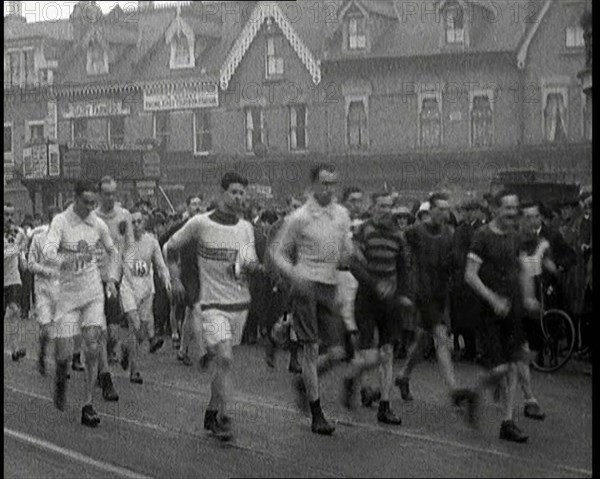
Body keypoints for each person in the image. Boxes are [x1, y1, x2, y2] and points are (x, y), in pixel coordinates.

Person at [166, 172, 260, 441]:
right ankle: (223, 417)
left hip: (239, 304)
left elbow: (246, 262)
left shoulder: (245, 228)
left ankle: (211, 411)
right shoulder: (200, 224)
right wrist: (175, 279)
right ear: (221, 194)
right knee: (225, 359)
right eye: (234, 192)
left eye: (243, 193)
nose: (239, 197)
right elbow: (171, 247)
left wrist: (250, 267)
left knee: (223, 365)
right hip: (212, 305)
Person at [271, 164, 353, 436]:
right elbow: (278, 253)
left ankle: (303, 383)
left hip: (329, 287)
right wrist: (294, 274)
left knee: (339, 352)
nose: (329, 188)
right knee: (310, 349)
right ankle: (317, 413)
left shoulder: (341, 214)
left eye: (333, 183)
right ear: (313, 185)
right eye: (324, 183)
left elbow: (343, 248)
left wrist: (344, 256)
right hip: (305, 287)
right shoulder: (300, 217)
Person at [465, 190, 539, 443]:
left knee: (513, 366)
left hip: (513, 310)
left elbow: (524, 270)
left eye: (514, 208)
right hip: (489, 313)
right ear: (496, 209)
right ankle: (474, 395)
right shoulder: (482, 236)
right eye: (507, 208)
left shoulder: (516, 237)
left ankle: (507, 422)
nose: (511, 212)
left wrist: (529, 297)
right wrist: (492, 298)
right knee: (501, 368)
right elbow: (470, 274)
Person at [45, 180, 121, 427]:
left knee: (91, 344)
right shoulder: (60, 222)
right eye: (86, 202)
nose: (91, 207)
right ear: (75, 199)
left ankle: (88, 404)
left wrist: (111, 278)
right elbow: (48, 251)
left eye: (93, 203)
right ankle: (60, 374)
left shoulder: (97, 224)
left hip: (92, 293)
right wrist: (63, 260)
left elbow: (113, 251)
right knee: (65, 352)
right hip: (67, 295)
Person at [394, 193, 477, 417]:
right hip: (422, 295)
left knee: (422, 342)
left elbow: (453, 262)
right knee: (441, 338)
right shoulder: (416, 231)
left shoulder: (449, 234)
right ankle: (454, 390)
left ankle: (403, 376)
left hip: (441, 295)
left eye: (447, 209)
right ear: (430, 210)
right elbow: (398, 245)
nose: (445, 212)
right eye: (440, 208)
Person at [342, 192, 412, 425]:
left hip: (389, 302)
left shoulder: (398, 236)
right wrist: (374, 284)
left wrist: (402, 295)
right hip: (367, 299)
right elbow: (353, 264)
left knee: (388, 353)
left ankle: (385, 405)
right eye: (380, 206)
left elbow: (403, 268)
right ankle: (353, 379)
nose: (384, 210)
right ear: (373, 208)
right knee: (368, 355)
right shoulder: (364, 231)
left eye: (388, 206)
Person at [119, 209, 171, 383]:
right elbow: (114, 261)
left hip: (147, 290)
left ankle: (126, 349)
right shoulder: (123, 242)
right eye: (132, 222)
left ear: (144, 223)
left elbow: (160, 264)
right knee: (134, 325)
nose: (136, 225)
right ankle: (135, 371)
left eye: (139, 221)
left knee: (139, 333)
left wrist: (166, 280)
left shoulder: (151, 241)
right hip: (129, 289)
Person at [28, 206, 61, 375]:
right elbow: (30, 263)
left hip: (61, 289)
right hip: (43, 288)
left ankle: (61, 363)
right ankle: (42, 353)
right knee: (47, 327)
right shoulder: (39, 239)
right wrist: (45, 270)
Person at [338, 186, 365, 362]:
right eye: (352, 201)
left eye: (359, 201)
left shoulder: (363, 225)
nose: (356, 205)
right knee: (347, 314)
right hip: (342, 274)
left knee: (355, 314)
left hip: (360, 275)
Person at [4, 203, 28, 361]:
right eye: (6, 214)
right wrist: (17, 250)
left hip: (13, 278)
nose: (9, 218)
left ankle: (15, 349)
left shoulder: (19, 232)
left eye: (11, 214)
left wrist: (23, 259)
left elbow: (23, 248)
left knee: (15, 311)